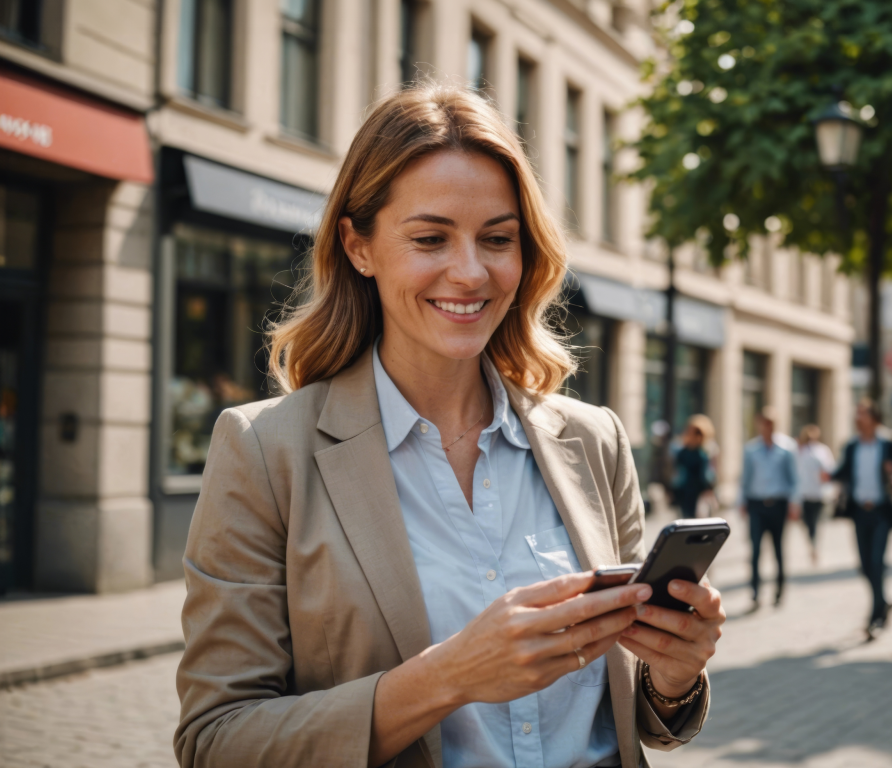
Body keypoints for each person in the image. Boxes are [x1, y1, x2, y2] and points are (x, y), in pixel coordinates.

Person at [174, 85, 724, 768]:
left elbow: (633, 713)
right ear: (358, 245)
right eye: (430, 238)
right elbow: (215, 741)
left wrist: (675, 675)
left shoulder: (594, 440)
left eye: (497, 239)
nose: (469, 273)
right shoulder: (265, 451)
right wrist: (448, 678)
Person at [831, 398, 892, 640]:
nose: (857, 418)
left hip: (882, 511)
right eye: (857, 413)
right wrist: (825, 475)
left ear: (874, 418)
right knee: (865, 565)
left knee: (876, 561)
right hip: (859, 512)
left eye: (862, 413)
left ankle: (876, 616)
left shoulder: (888, 444)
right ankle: (883, 601)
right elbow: (842, 472)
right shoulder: (852, 446)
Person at [738, 406, 798, 608]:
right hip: (757, 504)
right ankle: (755, 591)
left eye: (770, 423)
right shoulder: (751, 449)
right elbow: (744, 478)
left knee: (778, 549)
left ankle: (780, 589)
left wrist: (794, 503)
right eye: (764, 422)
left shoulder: (787, 448)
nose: (767, 427)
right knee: (755, 550)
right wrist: (742, 502)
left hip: (778, 504)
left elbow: (794, 479)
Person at [795, 424, 835, 566]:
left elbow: (829, 470)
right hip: (804, 493)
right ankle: (811, 545)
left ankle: (815, 547)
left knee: (816, 523)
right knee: (807, 523)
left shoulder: (823, 450)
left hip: (819, 493)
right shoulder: (800, 451)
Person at [671, 414, 716, 519]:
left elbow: (707, 475)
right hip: (684, 493)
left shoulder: (704, 453)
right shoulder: (681, 452)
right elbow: (677, 474)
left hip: (699, 494)